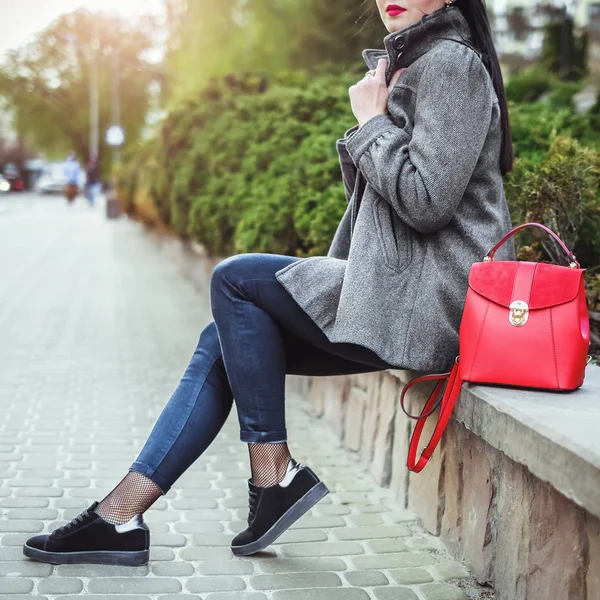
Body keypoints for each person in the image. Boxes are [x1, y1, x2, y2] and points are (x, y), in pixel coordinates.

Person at [23, 0, 516, 566]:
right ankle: (122, 513)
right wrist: (374, 121)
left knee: (235, 280)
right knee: (222, 339)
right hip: (396, 289)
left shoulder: (452, 65)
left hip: (432, 301)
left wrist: (372, 124)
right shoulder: (410, 64)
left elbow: (426, 202)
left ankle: (271, 473)